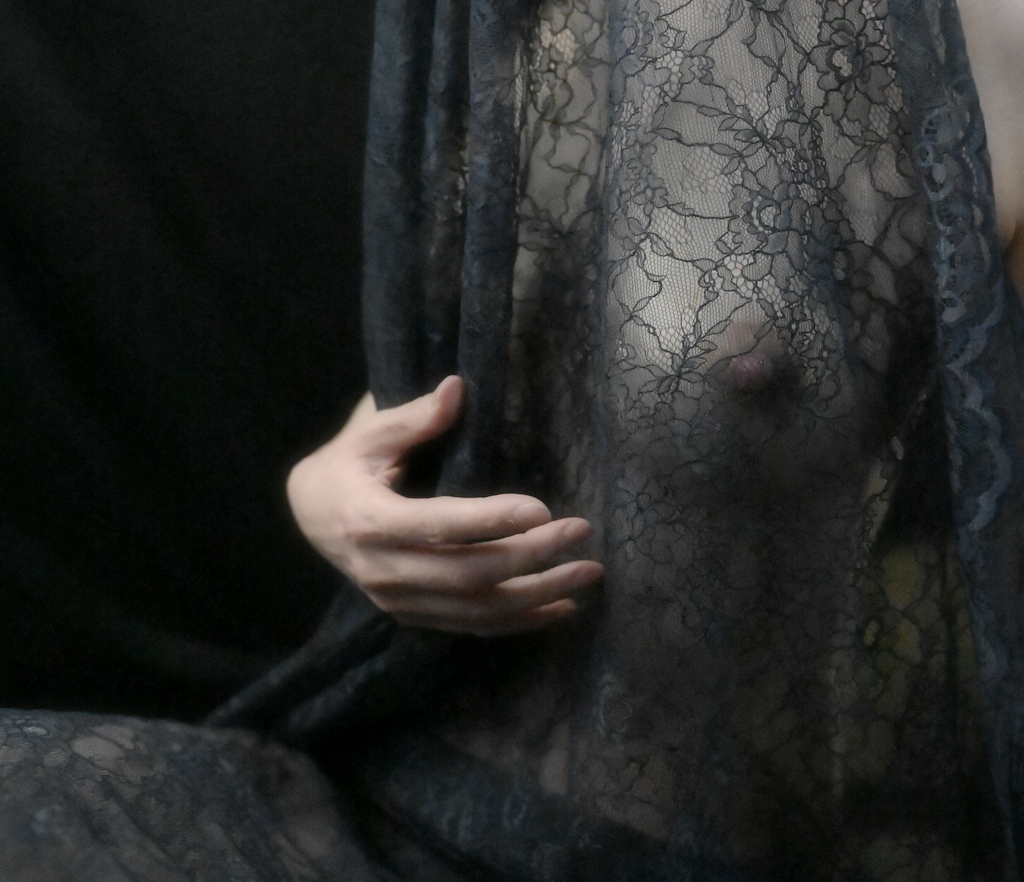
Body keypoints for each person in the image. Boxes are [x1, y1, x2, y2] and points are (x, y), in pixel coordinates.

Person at [281, 0, 1024, 878]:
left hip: (753, 838)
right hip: (421, 786)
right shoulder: (524, 26)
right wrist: (329, 496)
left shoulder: (990, 52)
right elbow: (451, 376)